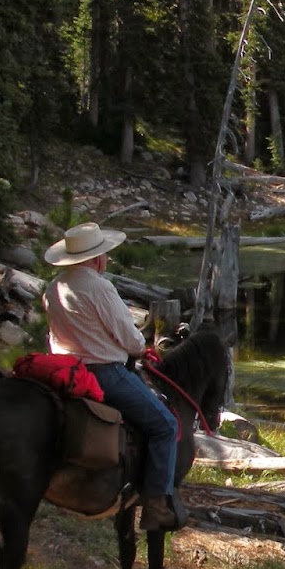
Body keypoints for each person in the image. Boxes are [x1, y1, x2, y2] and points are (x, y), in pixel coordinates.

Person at [41, 222, 186, 532]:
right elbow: (128, 338)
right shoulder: (100, 287)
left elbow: (53, 336)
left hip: (65, 371)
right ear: (96, 259)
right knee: (165, 425)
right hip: (104, 372)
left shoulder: (53, 288)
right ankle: (156, 505)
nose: (106, 259)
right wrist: (140, 347)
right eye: (104, 254)